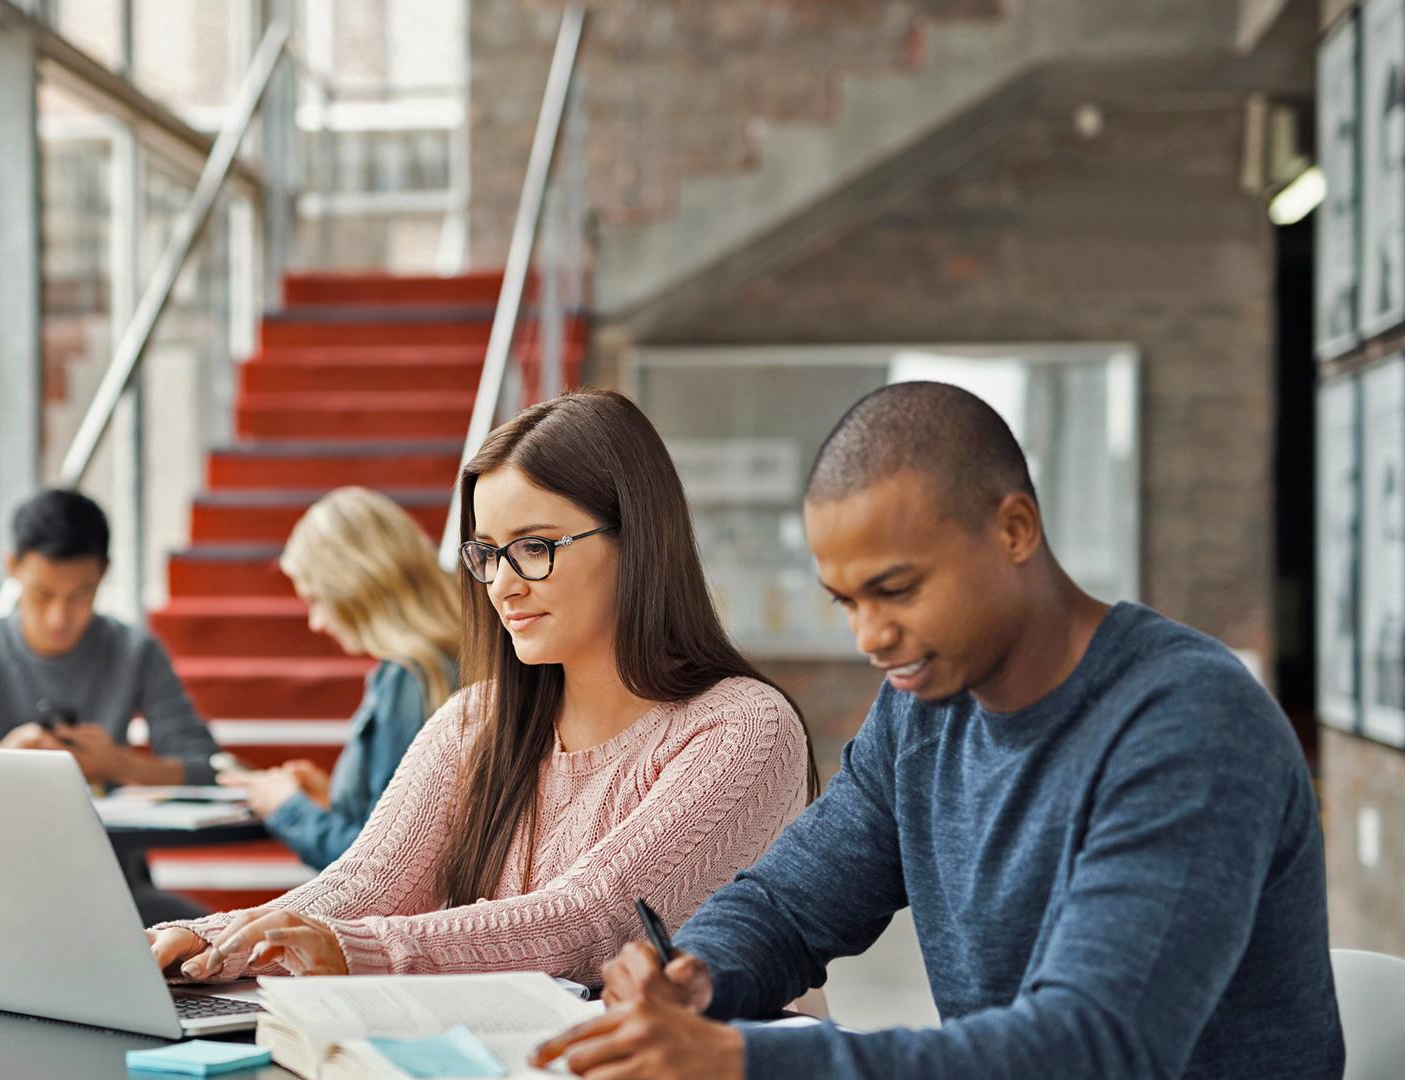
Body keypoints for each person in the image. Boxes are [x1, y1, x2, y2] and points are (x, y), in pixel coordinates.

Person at [533, 382, 1344, 1079]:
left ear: (1015, 530)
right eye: (847, 601)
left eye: (896, 589)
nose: (871, 636)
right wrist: (694, 978)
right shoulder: (922, 710)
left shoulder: (1188, 724)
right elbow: (787, 904)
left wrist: (742, 1060)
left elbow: (1095, 1047)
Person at [148, 389, 818, 984]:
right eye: (486, 552)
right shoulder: (476, 718)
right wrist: (210, 941)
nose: (501, 583)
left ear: (636, 541)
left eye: (534, 547)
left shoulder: (744, 727)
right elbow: (366, 882)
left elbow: (594, 923)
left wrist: (359, 951)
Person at [0, 487, 222, 921]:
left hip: (110, 884)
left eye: (81, 596)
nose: (59, 617)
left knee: (201, 936)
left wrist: (119, 764)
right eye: (42, 594)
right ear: (12, 569)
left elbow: (207, 767)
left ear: (104, 575)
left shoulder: (134, 652)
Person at [219, 486, 460, 870]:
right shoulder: (450, 659)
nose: (315, 623)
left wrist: (288, 808)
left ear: (354, 586)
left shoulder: (412, 678)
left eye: (316, 600)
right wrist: (333, 800)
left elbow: (385, 866)